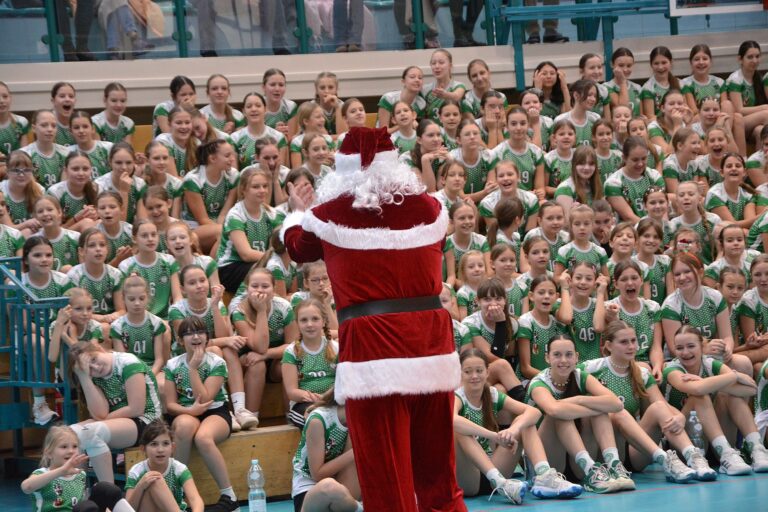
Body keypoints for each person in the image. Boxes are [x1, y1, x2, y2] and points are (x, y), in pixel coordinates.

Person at [282, 127, 465, 512]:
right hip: (431, 348)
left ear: (343, 169)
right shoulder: (430, 208)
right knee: (437, 469)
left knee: (385, 470)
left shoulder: (328, 214)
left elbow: (299, 248)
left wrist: (296, 212)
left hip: (372, 350)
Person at [582, 321, 716, 482]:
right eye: (624, 342)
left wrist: (679, 416)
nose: (631, 346)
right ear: (609, 346)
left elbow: (662, 406)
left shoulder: (641, 373)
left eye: (633, 341)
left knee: (659, 407)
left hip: (633, 452)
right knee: (616, 413)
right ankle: (664, 459)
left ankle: (694, 457)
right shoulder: (591, 369)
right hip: (600, 449)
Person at [454, 349, 583, 503]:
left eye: (479, 371)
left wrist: (512, 430)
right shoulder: (457, 396)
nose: (474, 376)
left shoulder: (492, 394)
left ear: (487, 372)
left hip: (496, 471)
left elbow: (534, 412)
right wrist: (495, 436)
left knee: (525, 422)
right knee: (459, 430)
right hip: (468, 478)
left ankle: (544, 476)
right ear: (460, 373)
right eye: (468, 372)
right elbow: (453, 420)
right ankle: (500, 483)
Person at [164, 316, 238, 511]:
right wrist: (189, 410)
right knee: (183, 427)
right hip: (186, 411)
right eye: (189, 333)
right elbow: (170, 404)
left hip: (215, 411)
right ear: (180, 340)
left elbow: (205, 400)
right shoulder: (172, 364)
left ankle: (229, 496)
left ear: (207, 337)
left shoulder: (217, 362)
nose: (195, 336)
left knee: (204, 438)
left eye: (200, 332)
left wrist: (193, 369)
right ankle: (177, 494)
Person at [68, 342, 162, 483]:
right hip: (118, 422)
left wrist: (102, 420)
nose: (96, 368)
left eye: (93, 359)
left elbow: (136, 408)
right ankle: (77, 494)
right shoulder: (94, 377)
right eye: (89, 369)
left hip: (148, 421)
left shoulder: (128, 363)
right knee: (70, 434)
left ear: (100, 348)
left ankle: (109, 495)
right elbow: (100, 414)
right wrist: (85, 378)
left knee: (92, 433)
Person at [291, 388, 362, 512]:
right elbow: (318, 474)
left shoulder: (357, 422)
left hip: (341, 493)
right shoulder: (319, 419)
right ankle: (362, 508)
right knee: (329, 487)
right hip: (310, 489)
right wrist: (356, 451)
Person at [125, 420, 204, 512]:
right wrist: (141, 486)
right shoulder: (136, 471)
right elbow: (127, 510)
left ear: (172, 447)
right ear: (143, 449)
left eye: (165, 443)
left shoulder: (178, 468)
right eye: (154, 444)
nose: (160, 449)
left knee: (155, 479)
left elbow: (195, 499)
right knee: (153, 479)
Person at [21, 425, 87, 510]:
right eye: (64, 447)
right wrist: (61, 471)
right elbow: (26, 487)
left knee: (103, 489)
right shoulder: (42, 474)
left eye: (74, 446)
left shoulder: (80, 474)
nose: (71, 451)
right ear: (49, 453)